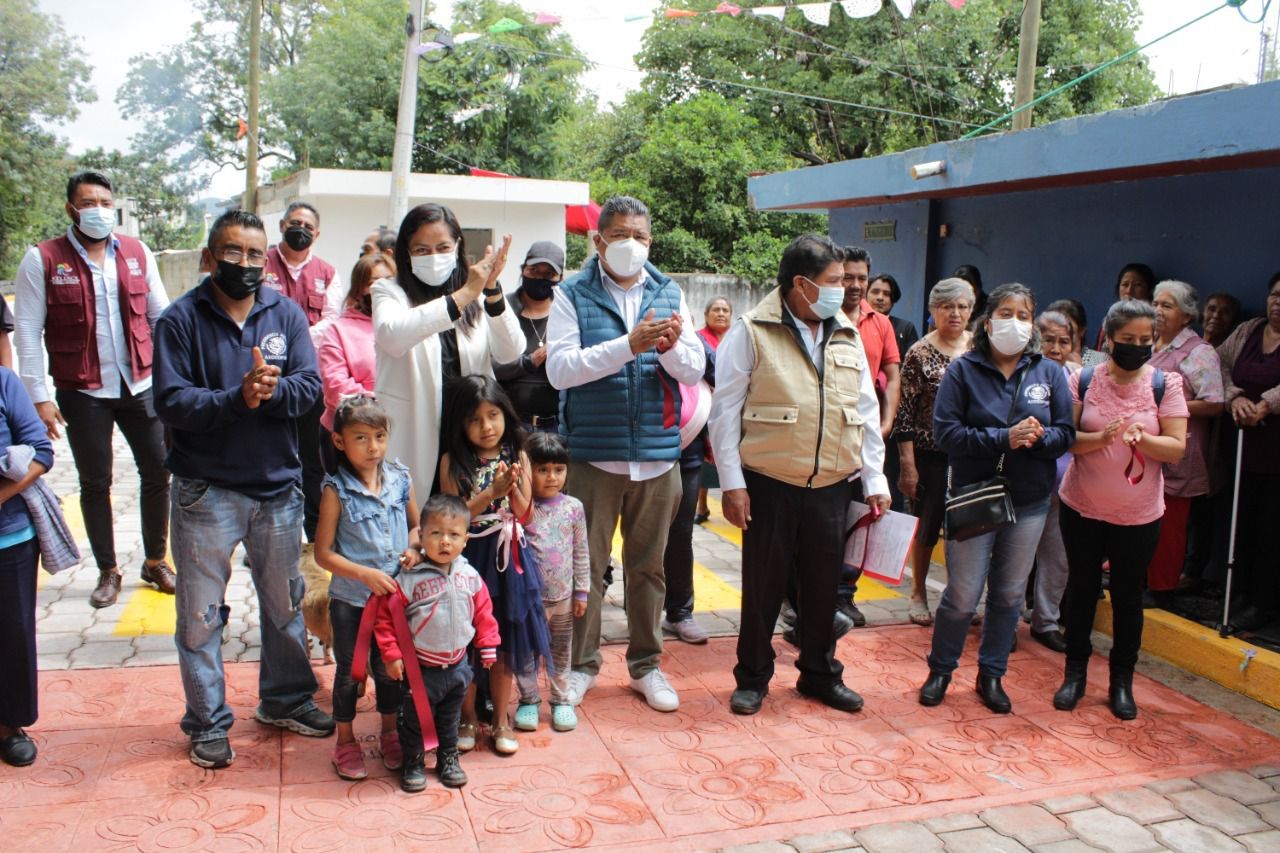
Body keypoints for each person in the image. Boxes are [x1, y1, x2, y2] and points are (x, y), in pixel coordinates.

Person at [153, 209, 335, 769]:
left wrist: (270, 392)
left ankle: (285, 699)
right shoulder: (180, 320)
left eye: (256, 254)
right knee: (201, 615)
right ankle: (207, 722)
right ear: (210, 258)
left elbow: (310, 389)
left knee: (284, 608)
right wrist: (239, 398)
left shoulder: (285, 315)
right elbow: (171, 401)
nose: (246, 264)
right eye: (233, 253)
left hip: (277, 490)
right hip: (206, 493)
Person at [708, 234, 890, 717]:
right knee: (764, 587)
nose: (845, 291)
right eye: (834, 282)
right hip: (769, 482)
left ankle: (819, 673)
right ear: (801, 285)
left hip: (832, 484)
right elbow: (724, 412)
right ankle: (753, 678)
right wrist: (732, 484)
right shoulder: (751, 331)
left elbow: (865, 411)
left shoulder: (846, 331)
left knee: (822, 588)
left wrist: (875, 480)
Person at [546, 196, 705, 713]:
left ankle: (646, 666)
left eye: (638, 235)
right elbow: (560, 370)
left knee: (649, 569)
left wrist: (671, 349)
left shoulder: (669, 290)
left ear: (650, 240)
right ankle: (581, 666)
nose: (629, 244)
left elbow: (693, 369)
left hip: (659, 458)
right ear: (598, 241)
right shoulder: (571, 293)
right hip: (595, 457)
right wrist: (628, 346)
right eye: (618, 235)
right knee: (585, 571)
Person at [14, 170, 174, 608]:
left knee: (159, 471)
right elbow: (26, 330)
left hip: (140, 383)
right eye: (89, 203)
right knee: (95, 481)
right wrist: (39, 397)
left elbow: (161, 317)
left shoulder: (138, 253)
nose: (99, 211)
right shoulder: (43, 259)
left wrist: (169, 377)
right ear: (71, 209)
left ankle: (156, 560)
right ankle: (108, 569)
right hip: (82, 391)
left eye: (105, 202)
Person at [917, 283, 1074, 714]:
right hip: (973, 496)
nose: (1016, 322)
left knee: (1007, 596)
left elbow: (1066, 433)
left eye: (1024, 315)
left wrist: (1039, 437)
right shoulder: (964, 370)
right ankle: (941, 670)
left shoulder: (1049, 372)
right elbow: (946, 433)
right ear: (988, 322)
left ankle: (992, 674)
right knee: (964, 594)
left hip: (1029, 501)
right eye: (1007, 313)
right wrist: (1004, 437)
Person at [1054, 300, 1188, 720]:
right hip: (1082, 506)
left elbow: (1177, 448)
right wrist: (1099, 439)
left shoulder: (1167, 384)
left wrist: (1143, 441)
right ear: (1108, 339)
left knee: (1128, 597)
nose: (1136, 347)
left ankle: (1121, 681)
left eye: (1145, 340)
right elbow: (1066, 438)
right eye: (1127, 340)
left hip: (1139, 514)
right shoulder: (1084, 378)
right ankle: (1074, 673)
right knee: (1081, 589)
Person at [373, 203, 522, 500]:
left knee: (468, 526)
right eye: (422, 250)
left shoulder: (479, 293)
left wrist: (490, 289)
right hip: (415, 433)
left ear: (457, 247)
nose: (434, 257)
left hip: (469, 435)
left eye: (442, 247)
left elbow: (511, 351)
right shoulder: (388, 291)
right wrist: (464, 294)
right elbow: (392, 336)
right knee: (416, 529)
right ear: (406, 253)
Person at [439, 376, 551, 755]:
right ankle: (468, 716)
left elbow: (527, 515)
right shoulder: (453, 462)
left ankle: (502, 718)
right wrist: (490, 492)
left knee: (504, 641)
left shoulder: (517, 455)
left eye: (493, 415)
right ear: (460, 424)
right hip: (469, 560)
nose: (486, 426)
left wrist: (514, 490)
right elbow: (452, 517)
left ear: (505, 414)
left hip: (510, 563)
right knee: (468, 641)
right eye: (474, 419)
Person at [314, 395, 419, 781]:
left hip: (393, 600)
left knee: (391, 668)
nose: (372, 447)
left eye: (379, 436)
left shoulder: (400, 479)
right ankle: (344, 740)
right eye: (361, 438)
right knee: (350, 672)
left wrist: (413, 549)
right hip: (352, 601)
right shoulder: (335, 490)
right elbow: (323, 554)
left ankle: (390, 732)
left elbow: (416, 527)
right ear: (340, 442)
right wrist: (363, 574)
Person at [378, 494, 500, 792]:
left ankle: (447, 758)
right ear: (421, 536)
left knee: (450, 718)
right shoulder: (409, 579)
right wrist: (392, 655)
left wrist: (487, 644)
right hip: (421, 670)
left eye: (454, 535)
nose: (445, 542)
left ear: (465, 540)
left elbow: (484, 613)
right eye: (436, 533)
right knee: (415, 721)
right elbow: (385, 620)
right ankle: (414, 761)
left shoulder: (469, 576)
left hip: (458, 666)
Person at [260, 201, 343, 542]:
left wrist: (294, 338)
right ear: (281, 225)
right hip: (265, 376)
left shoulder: (328, 273)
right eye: (295, 223)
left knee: (312, 461)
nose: (301, 231)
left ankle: (312, 533)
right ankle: (266, 536)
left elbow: (333, 319)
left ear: (317, 233)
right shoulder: (261, 262)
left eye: (308, 227)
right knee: (268, 457)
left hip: (309, 381)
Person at [893, 278, 974, 627]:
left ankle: (962, 596)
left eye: (962, 306)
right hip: (931, 455)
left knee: (968, 527)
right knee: (928, 526)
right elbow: (905, 413)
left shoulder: (979, 349)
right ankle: (918, 593)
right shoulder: (919, 353)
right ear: (932, 311)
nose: (955, 313)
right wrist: (908, 466)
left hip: (971, 453)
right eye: (946, 307)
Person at [1146, 281, 1223, 606]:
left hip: (1179, 446)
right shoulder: (1148, 343)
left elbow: (1215, 402)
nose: (1157, 311)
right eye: (1156, 303)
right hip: (1145, 446)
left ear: (1187, 315)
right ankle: (1141, 576)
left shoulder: (1198, 351)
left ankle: (1162, 588)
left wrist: (1169, 406)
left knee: (1171, 522)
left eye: (1167, 305)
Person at [835, 247, 900, 627]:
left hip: (867, 437)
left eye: (862, 277)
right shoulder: (820, 319)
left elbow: (892, 375)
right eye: (848, 277)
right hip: (829, 440)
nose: (855, 285)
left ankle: (845, 595)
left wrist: (886, 420)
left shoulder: (880, 323)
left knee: (861, 519)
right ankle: (804, 594)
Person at [1216, 273, 1280, 632]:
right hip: (1240, 447)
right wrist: (1235, 396)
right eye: (1275, 295)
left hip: (1275, 453)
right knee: (1240, 523)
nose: (1278, 303)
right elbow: (1218, 365)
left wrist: (1268, 404)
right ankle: (1238, 592)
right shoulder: (1248, 330)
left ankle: (1262, 602)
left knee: (1270, 530)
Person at [514, 432, 589, 734]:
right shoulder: (521, 509)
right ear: (528, 469)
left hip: (563, 600)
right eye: (542, 469)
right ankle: (528, 700)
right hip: (528, 603)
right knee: (526, 653)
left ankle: (560, 701)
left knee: (561, 652)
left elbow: (581, 550)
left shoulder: (573, 507)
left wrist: (581, 591)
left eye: (558, 469)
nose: (551, 477)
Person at [0, 367, 56, 767]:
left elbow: (41, 451)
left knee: (13, 633)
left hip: (10, 536)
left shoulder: (4, 381)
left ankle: (10, 726)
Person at [1028, 310, 1080, 653]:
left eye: (1064, 341)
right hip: (1027, 480)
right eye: (1049, 340)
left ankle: (1046, 621)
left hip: (1067, 483)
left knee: (1057, 555)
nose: (1056, 348)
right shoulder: (1023, 371)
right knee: (1017, 553)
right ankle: (1007, 615)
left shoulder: (1079, 376)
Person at [317, 253, 394, 473]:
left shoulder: (406, 326)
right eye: (374, 283)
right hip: (351, 438)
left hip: (397, 433)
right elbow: (335, 388)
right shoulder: (338, 330)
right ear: (359, 289)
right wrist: (385, 400)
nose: (383, 288)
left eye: (390, 280)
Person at [494, 241, 565, 430]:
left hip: (556, 426)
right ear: (523, 270)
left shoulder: (567, 313)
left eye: (549, 274)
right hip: (510, 425)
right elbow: (489, 365)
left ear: (560, 278)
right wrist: (530, 361)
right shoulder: (502, 309)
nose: (540, 278)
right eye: (534, 270)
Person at [694, 296, 732, 523]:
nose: (721, 313)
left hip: (733, 408)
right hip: (707, 406)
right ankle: (702, 506)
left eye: (725, 310)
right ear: (707, 314)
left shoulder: (736, 338)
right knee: (705, 460)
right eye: (716, 310)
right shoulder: (699, 339)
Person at [1095, 263, 1156, 351]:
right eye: (1125, 284)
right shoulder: (1111, 315)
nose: (1129, 290)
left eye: (1137, 285)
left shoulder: (1152, 320)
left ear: (1149, 290)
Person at [867, 273, 919, 357]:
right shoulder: (856, 324)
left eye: (886, 294)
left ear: (894, 300)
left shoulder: (906, 328)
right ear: (865, 295)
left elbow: (912, 364)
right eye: (875, 292)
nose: (880, 297)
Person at [1047, 298, 1106, 368]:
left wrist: (1079, 371)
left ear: (1082, 331)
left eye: (1068, 331)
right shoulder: (1040, 361)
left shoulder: (1102, 361)